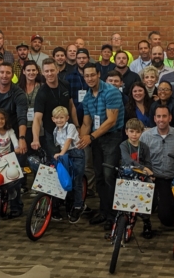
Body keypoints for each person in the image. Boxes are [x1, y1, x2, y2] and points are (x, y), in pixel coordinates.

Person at [77, 63, 124, 226]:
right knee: (99, 177)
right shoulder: (88, 97)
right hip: (97, 139)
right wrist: (81, 140)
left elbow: (111, 121)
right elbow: (86, 123)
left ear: (98, 74)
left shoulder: (112, 92)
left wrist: (90, 137)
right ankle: (104, 211)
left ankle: (113, 216)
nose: (89, 78)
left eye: (92, 75)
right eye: (86, 76)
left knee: (109, 176)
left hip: (112, 138)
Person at [30, 59, 78, 153]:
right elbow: (37, 118)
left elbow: (71, 106)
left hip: (68, 130)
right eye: (46, 71)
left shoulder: (65, 84)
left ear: (57, 70)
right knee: (57, 160)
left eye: (52, 70)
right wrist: (35, 139)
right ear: (43, 73)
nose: (49, 73)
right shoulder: (41, 93)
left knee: (73, 159)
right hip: (52, 133)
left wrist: (77, 127)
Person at [0, 63, 29, 155]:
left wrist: (22, 138)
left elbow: (22, 117)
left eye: (8, 73)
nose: (4, 75)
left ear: (12, 75)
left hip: (12, 130)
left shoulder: (19, 93)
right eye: (2, 72)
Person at [50, 105, 85, 219]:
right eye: (57, 118)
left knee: (76, 181)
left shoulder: (71, 127)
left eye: (62, 117)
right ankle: (65, 201)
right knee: (64, 179)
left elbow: (68, 141)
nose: (59, 120)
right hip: (65, 154)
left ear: (67, 118)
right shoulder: (55, 130)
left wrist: (61, 153)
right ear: (53, 119)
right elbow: (59, 144)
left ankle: (78, 206)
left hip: (76, 154)